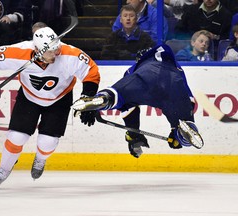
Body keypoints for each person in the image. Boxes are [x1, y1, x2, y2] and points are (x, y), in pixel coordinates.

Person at [0, 26, 100, 187]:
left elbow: (91, 72)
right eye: (50, 51)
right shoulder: (20, 51)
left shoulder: (69, 54)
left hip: (60, 99)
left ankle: (40, 159)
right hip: (29, 97)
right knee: (16, 137)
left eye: (56, 49)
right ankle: (4, 169)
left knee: (47, 142)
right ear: (36, 49)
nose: (56, 54)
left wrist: (88, 100)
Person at [72, 44, 204, 158]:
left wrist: (133, 132)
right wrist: (177, 125)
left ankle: (104, 99)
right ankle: (182, 131)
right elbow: (187, 97)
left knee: (120, 96)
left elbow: (128, 108)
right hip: (169, 79)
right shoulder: (175, 66)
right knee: (182, 112)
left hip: (143, 77)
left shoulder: (132, 70)